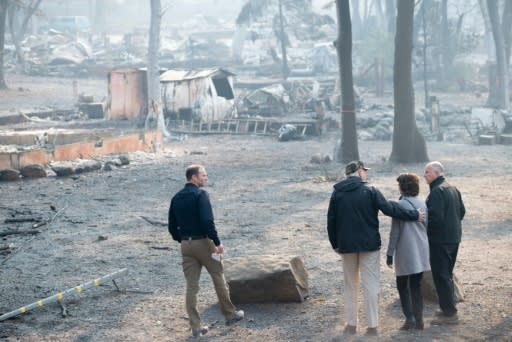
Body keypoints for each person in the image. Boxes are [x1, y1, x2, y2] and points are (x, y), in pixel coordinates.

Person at [327, 161, 426, 336]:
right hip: (369, 245)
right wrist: (415, 215)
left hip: (346, 246)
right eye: (364, 171)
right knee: (370, 285)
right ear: (358, 172)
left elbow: (331, 221)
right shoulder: (371, 190)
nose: (365, 174)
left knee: (350, 285)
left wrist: (335, 243)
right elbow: (390, 209)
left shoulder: (337, 193)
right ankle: (372, 326)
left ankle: (351, 324)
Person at [168, 164, 244, 337]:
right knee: (218, 276)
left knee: (191, 287)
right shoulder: (201, 194)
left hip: (186, 246)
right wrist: (217, 242)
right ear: (193, 177)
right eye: (203, 175)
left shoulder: (176, 197)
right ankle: (230, 315)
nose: (206, 177)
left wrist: (182, 239)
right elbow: (207, 221)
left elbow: (172, 226)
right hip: (204, 243)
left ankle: (195, 327)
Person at [386, 173, 430, 330]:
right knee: (416, 286)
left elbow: (395, 232)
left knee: (402, 286)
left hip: (406, 250)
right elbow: (427, 228)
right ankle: (420, 321)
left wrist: (389, 254)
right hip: (421, 249)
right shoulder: (422, 203)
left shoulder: (399, 206)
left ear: (401, 188)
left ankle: (409, 319)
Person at [423, 161, 465, 325]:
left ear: (437, 173)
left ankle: (450, 313)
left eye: (427, 172)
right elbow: (462, 212)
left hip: (440, 241)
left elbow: (436, 219)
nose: (425, 175)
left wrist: (426, 232)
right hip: (454, 238)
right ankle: (447, 307)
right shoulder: (453, 188)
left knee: (441, 275)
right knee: (446, 274)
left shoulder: (436, 192)